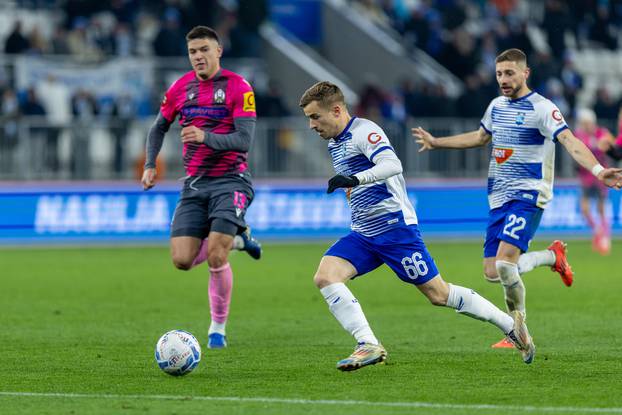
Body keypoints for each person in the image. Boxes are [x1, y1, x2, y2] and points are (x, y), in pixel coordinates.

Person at [300, 81, 536, 371]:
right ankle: (368, 344)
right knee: (326, 276)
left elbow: (392, 164)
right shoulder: (336, 142)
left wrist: (355, 180)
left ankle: (510, 326)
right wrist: (353, 187)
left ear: (336, 110)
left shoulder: (365, 131)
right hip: (364, 232)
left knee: (439, 294)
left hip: (395, 229)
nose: (311, 125)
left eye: (315, 117)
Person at [413, 48, 622, 349]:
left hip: (529, 194)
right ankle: (552, 257)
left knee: (504, 265)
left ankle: (518, 330)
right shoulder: (496, 106)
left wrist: (599, 170)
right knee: (491, 271)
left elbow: (570, 141)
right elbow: (480, 137)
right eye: (499, 74)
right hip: (498, 198)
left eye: (510, 73)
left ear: (526, 73)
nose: (503, 79)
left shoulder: (543, 108)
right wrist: (436, 143)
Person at [141, 26, 262, 349]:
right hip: (194, 185)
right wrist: (150, 164)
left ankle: (217, 330)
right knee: (181, 260)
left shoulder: (239, 87)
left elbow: (243, 139)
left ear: (218, 51)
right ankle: (238, 239)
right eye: (193, 51)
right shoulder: (180, 88)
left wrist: (205, 136)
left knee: (215, 255)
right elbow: (157, 128)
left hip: (231, 180)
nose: (198, 56)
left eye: (204, 50)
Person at [574, 108, 616, 255]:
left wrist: (605, 143)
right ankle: (598, 231)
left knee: (601, 208)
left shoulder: (601, 132)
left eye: (587, 123)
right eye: (583, 123)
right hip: (586, 177)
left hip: (600, 177)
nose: (585, 126)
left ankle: (605, 237)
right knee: (585, 209)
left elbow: (612, 143)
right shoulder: (579, 135)